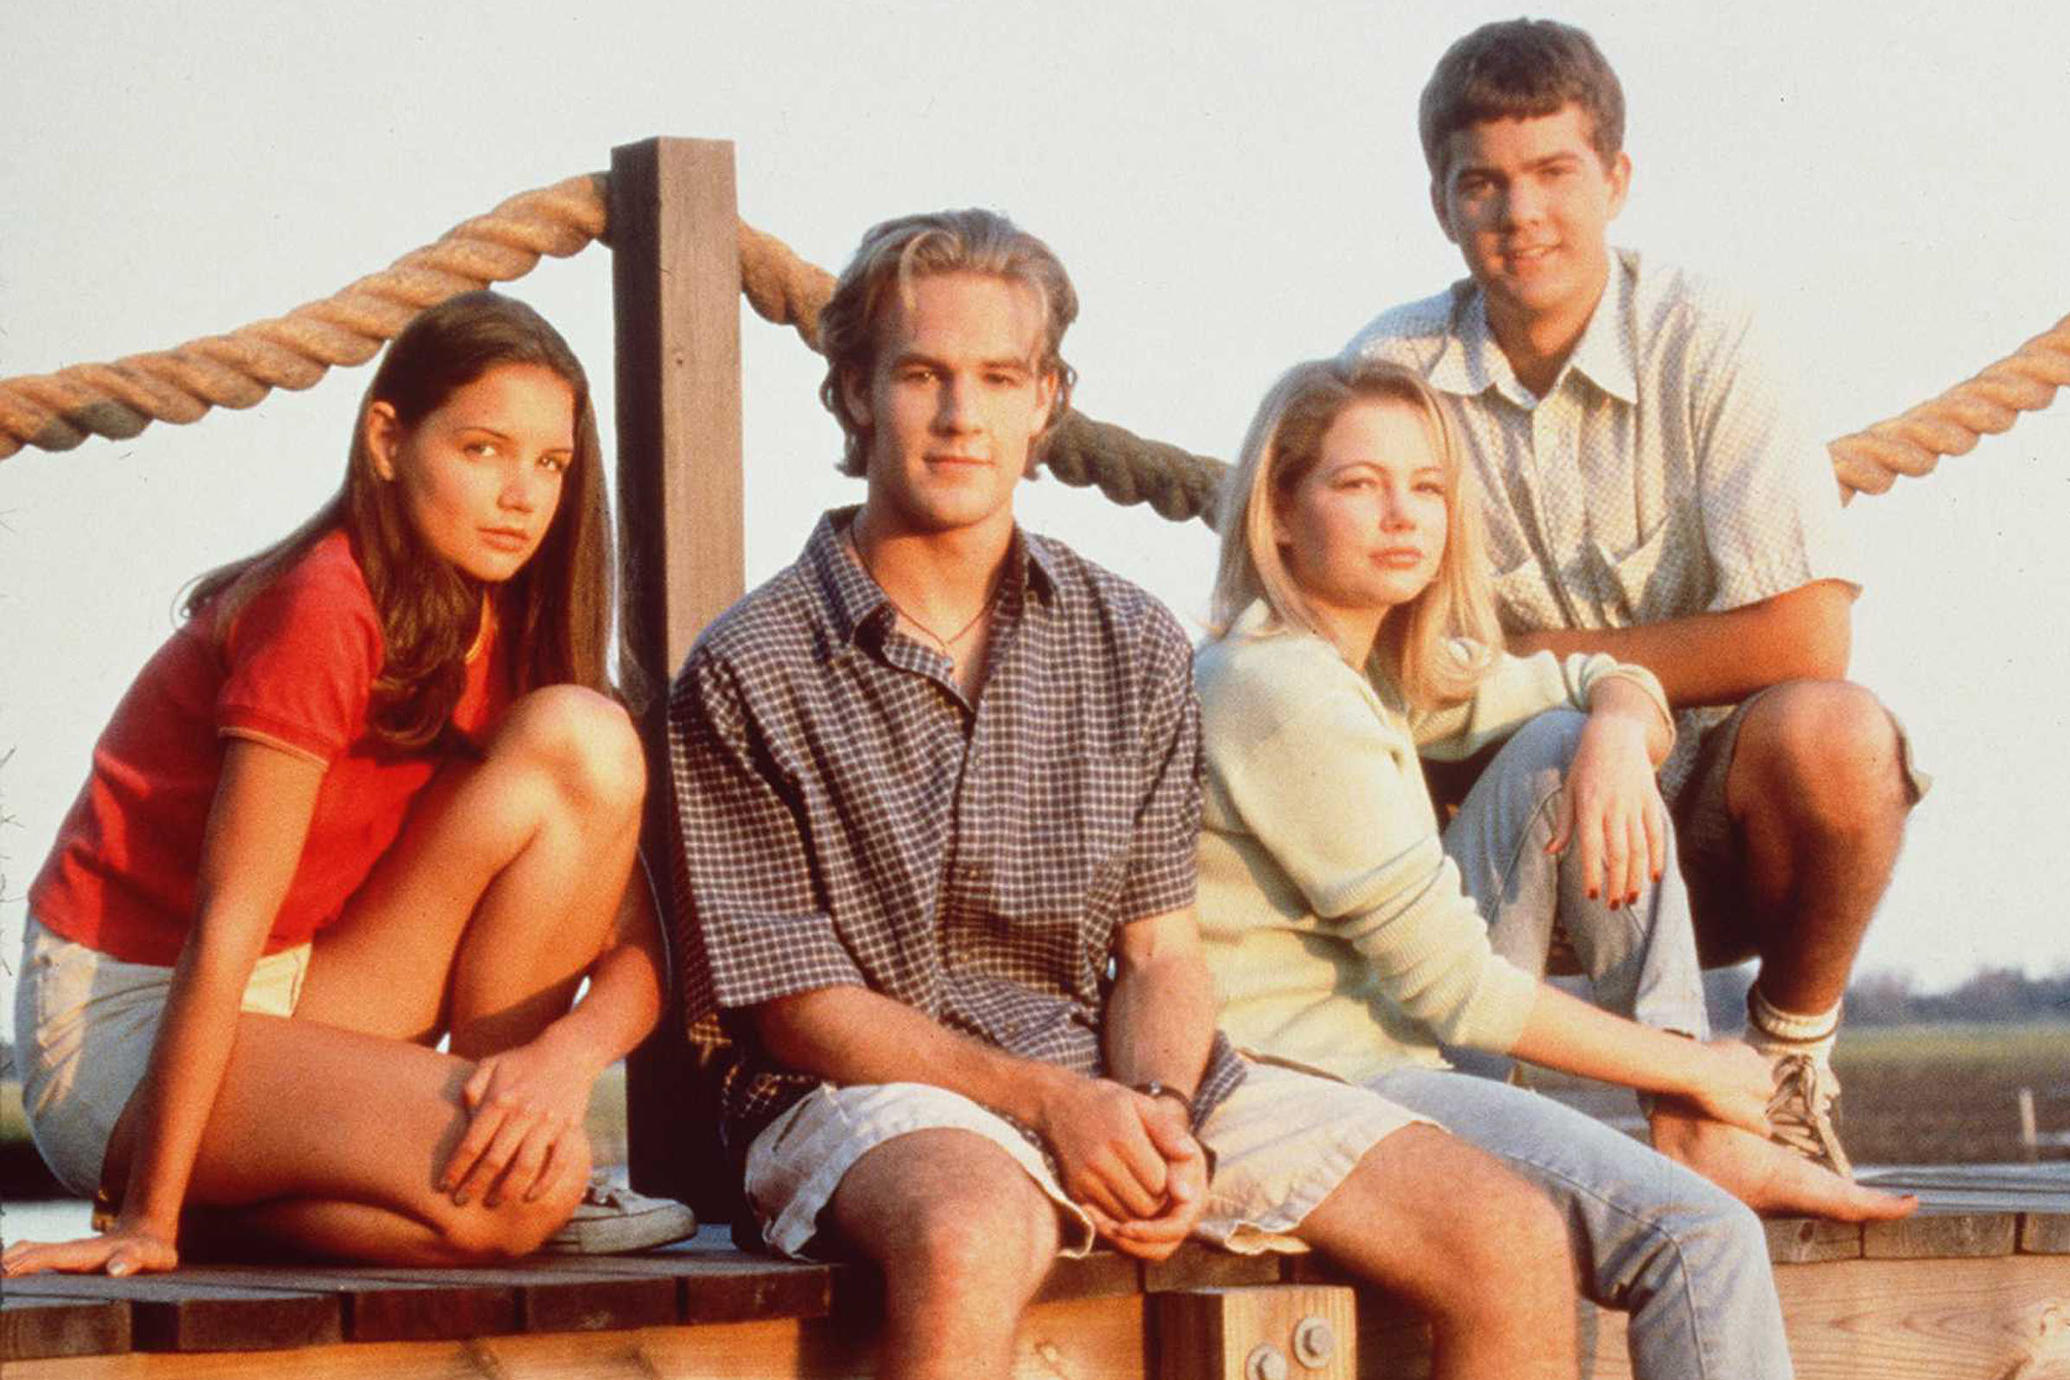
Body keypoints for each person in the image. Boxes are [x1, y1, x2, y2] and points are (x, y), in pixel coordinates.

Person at [667, 208, 1754, 1380]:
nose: (961, 415)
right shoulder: (752, 664)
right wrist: (1051, 1105)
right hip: (863, 1092)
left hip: (1111, 1070)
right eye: (922, 374)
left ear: (1046, 402)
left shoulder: (1126, 637)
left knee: (1507, 1235)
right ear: (855, 394)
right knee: (973, 1231)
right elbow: (800, 1009)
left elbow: (1162, 956)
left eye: (999, 378)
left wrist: (1157, 1105)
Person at [1197, 355, 1919, 1378]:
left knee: (1561, 746)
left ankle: (1695, 1132)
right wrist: (1694, 1067)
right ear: (1277, 513)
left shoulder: (1373, 666)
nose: (1403, 517)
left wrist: (1617, 734)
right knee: (1700, 1235)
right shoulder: (1282, 690)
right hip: (1320, 1079)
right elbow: (1456, 991)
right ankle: (1698, 1118)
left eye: (1428, 488)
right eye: (1359, 485)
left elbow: (1599, 676)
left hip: (1387, 1048)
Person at [1342, 18, 1928, 1180]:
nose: (1522, 214)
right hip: (1505, 828)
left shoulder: (1706, 339)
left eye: (1555, 172)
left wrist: (1586, 679)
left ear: (1615, 179)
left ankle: (1781, 1066)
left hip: (1710, 831)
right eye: (1483, 184)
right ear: (1442, 205)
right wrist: (1577, 709)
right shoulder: (1393, 374)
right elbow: (1357, 650)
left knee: (1841, 737)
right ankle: (1452, 1105)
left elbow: (1810, 633)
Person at [4, 292, 688, 1280]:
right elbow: (226, 927)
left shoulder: (512, 635)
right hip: (133, 1026)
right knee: (525, 1198)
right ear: (387, 442)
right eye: (483, 449)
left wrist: (557, 1065)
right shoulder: (323, 608)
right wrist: (149, 1220)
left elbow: (637, 954)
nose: (521, 495)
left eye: (551, 464)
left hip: (300, 987)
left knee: (588, 738)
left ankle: (495, 1149)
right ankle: (192, 1208)